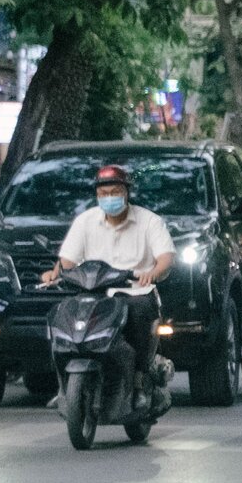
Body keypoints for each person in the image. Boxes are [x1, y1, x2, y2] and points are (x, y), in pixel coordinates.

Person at [40, 164, 174, 410]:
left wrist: (152, 273)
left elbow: (166, 257)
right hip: (93, 293)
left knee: (140, 313)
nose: (109, 198)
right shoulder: (85, 221)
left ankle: (138, 382)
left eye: (114, 192)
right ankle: (63, 387)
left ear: (126, 193)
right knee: (59, 317)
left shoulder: (149, 221)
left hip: (135, 292)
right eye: (103, 194)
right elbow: (67, 260)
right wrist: (54, 273)